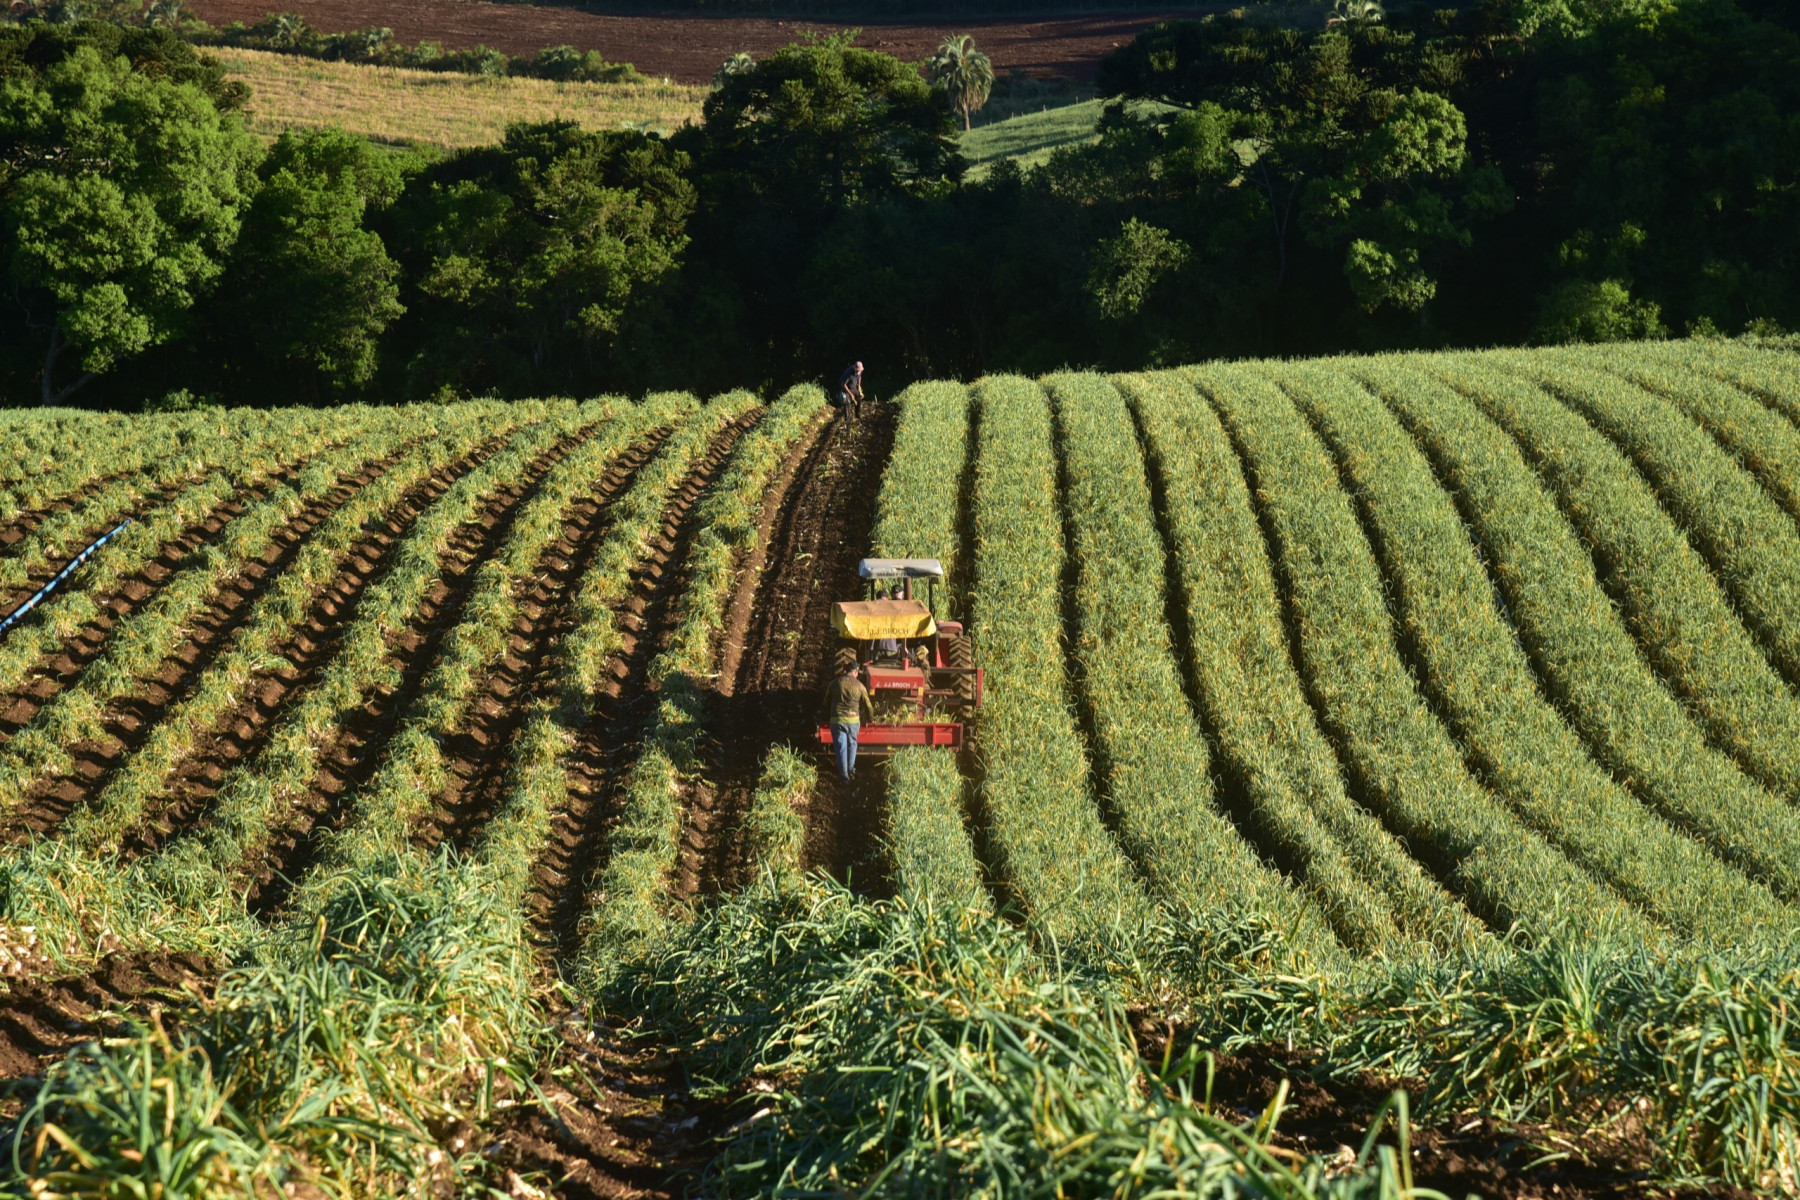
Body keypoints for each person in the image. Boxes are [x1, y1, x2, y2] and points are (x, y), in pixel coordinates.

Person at [822, 658, 873, 783]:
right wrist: (870, 719)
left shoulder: (834, 683)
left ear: (846, 671)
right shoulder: (860, 686)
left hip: (837, 720)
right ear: (855, 672)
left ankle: (844, 777)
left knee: (841, 748)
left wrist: (824, 717)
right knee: (852, 745)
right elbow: (868, 706)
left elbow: (825, 702)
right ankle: (851, 770)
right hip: (853, 721)